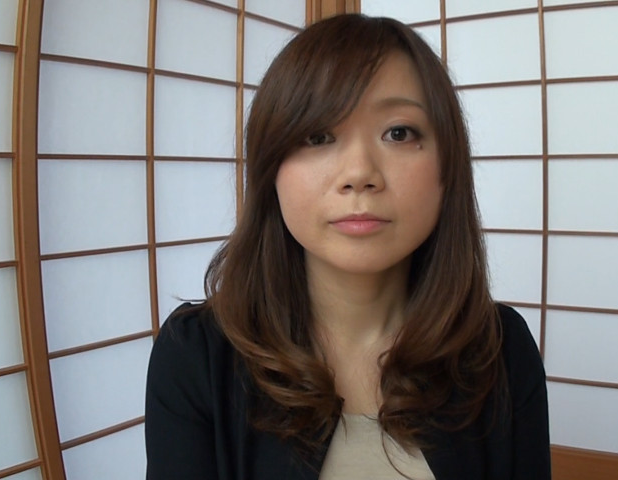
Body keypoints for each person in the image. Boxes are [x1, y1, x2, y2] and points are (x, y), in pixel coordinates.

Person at [145, 13, 550, 480]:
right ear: (270, 169)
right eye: (318, 136)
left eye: (399, 132)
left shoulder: (500, 351)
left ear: (448, 165)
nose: (359, 173)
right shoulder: (195, 357)